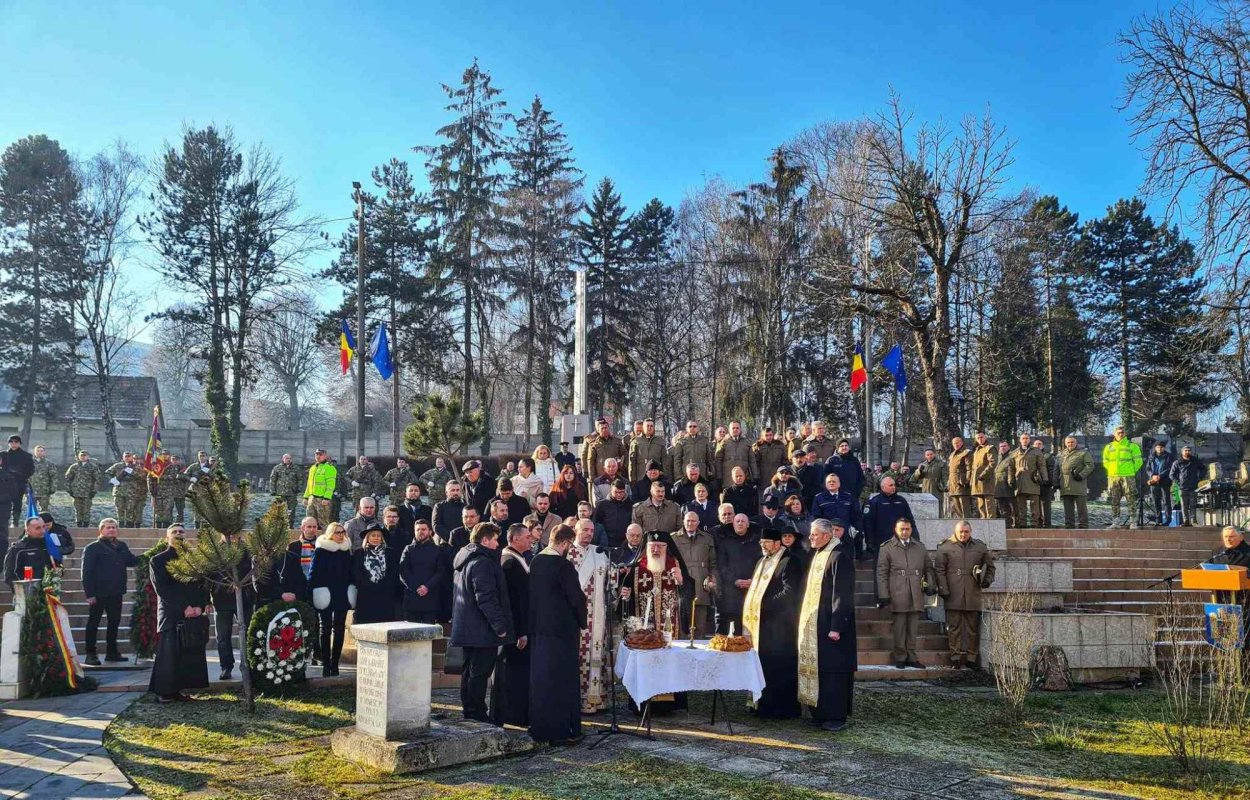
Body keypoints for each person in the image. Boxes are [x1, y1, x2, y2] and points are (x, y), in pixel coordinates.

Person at [527, 524, 587, 745]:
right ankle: (563, 730)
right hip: (561, 632)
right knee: (562, 681)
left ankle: (541, 728)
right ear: (564, 542)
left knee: (542, 679)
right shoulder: (563, 566)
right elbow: (576, 598)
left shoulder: (536, 561)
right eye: (570, 544)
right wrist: (582, 620)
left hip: (539, 630)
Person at [797, 518, 857, 732]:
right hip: (817, 624)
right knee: (820, 670)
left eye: (814, 534)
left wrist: (836, 626)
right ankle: (820, 712)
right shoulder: (819, 554)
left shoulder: (839, 556)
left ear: (827, 535)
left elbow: (842, 594)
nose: (811, 537)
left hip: (833, 626)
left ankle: (835, 716)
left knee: (834, 672)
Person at [450, 522, 514, 723]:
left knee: (470, 671)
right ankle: (476, 712)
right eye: (495, 539)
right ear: (485, 540)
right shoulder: (482, 563)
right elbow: (485, 598)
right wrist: (500, 626)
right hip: (481, 629)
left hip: (469, 627)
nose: (498, 544)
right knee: (479, 673)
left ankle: (470, 710)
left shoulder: (467, 559)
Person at [742, 525, 802, 718]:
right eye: (761, 542)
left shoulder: (790, 561)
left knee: (779, 666)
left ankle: (781, 709)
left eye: (767, 542)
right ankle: (761, 704)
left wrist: (764, 604)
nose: (763, 545)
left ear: (778, 543)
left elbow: (789, 591)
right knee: (762, 664)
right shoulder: (761, 561)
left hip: (781, 626)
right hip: (762, 625)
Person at [148, 524, 210, 703]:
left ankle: (178, 691)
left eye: (181, 531)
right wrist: (184, 607)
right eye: (174, 532)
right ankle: (164, 692)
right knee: (169, 654)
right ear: (167, 537)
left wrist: (200, 606)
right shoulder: (158, 560)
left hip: (193, 613)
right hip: (171, 612)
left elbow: (203, 583)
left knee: (186, 654)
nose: (178, 534)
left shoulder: (194, 559)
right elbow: (163, 588)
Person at [876, 519, 936, 669]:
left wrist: (930, 585)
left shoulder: (919, 547)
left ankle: (912, 657)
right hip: (897, 591)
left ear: (911, 530)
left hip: (915, 591)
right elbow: (882, 573)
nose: (904, 532)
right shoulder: (887, 547)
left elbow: (928, 568)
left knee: (913, 628)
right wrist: (883, 594)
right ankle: (900, 657)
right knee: (900, 627)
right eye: (901, 529)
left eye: (907, 529)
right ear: (895, 530)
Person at [935, 520, 996, 669]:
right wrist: (943, 589)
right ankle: (955, 657)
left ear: (971, 532)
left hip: (972, 592)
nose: (963, 534)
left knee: (972, 628)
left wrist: (986, 581)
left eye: (966, 532)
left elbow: (990, 567)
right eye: (960, 532)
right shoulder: (945, 547)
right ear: (955, 532)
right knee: (954, 628)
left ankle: (971, 658)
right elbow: (939, 571)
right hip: (953, 592)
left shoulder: (980, 547)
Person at [80, 518, 138, 665]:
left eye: (113, 527)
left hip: (116, 591)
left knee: (114, 622)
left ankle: (112, 652)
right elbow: (86, 572)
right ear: (101, 530)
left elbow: (132, 561)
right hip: (98, 592)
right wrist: (90, 594)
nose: (111, 530)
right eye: (108, 527)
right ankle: (90, 654)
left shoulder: (121, 546)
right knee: (93, 623)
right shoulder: (93, 548)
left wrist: (152, 555)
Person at [567, 518, 610, 713]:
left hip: (597, 616)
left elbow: (610, 581)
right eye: (585, 529)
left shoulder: (599, 553)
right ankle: (575, 700)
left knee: (596, 654)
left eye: (592, 530)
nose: (589, 533)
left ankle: (596, 699)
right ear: (575, 530)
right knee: (577, 656)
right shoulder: (567, 552)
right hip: (575, 615)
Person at [492, 523, 532, 727]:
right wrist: (521, 632)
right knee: (512, 673)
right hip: (515, 630)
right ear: (515, 539)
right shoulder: (509, 563)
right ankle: (512, 714)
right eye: (527, 537)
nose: (531, 540)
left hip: (518, 627)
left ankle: (518, 712)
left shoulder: (517, 559)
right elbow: (514, 601)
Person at [309, 522, 355, 677]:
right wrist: (312, 592)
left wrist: (351, 589)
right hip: (325, 592)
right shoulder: (320, 551)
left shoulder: (346, 551)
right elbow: (313, 573)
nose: (341, 535)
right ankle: (326, 664)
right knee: (325, 628)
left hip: (342, 592)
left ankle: (335, 664)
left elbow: (350, 573)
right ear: (330, 534)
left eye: (342, 532)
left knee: (340, 628)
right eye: (337, 532)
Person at [672, 510, 717, 636]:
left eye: (693, 521)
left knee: (700, 627)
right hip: (681, 588)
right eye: (688, 521)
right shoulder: (674, 538)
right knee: (682, 628)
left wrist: (710, 578)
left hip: (701, 588)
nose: (690, 523)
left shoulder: (707, 539)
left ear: (698, 523)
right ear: (683, 522)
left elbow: (713, 563)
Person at [715, 513, 762, 634]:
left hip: (752, 589)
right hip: (731, 592)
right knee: (733, 630)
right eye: (737, 521)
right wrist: (734, 580)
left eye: (743, 521)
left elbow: (761, 564)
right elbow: (721, 566)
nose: (740, 523)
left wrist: (753, 580)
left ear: (748, 524)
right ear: (733, 524)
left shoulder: (756, 544)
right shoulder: (725, 543)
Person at [399, 519, 446, 623]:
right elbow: (403, 571)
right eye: (418, 529)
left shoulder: (437, 550)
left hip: (431, 599)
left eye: (423, 529)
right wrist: (416, 587)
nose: (420, 532)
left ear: (430, 531)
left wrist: (427, 587)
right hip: (412, 599)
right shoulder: (408, 549)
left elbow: (440, 572)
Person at [863, 477, 916, 563]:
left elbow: (910, 520)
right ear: (883, 487)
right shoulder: (875, 502)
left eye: (894, 485)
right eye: (890, 485)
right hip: (881, 542)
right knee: (881, 566)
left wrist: (915, 535)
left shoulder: (901, 501)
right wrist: (870, 541)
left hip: (900, 540)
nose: (893, 487)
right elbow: (868, 523)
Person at [352, 528, 400, 624]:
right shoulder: (359, 553)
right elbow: (356, 573)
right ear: (367, 538)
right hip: (365, 595)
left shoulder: (390, 553)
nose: (376, 538)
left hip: (385, 594)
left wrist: (382, 585)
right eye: (373, 535)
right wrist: (368, 584)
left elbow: (393, 572)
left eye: (379, 536)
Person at [1102, 426, 1144, 530]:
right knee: (1114, 500)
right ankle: (1116, 522)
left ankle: (1133, 522)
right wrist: (1111, 470)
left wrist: (1131, 471)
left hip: (1127, 476)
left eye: (1122, 432)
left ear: (1125, 434)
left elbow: (1139, 461)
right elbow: (1105, 461)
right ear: (1114, 434)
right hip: (1113, 477)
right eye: (1118, 432)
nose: (1120, 434)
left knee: (1131, 499)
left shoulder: (1132, 446)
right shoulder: (1109, 447)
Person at [1010, 433, 1046, 528]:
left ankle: (1035, 523)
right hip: (1019, 481)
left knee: (1034, 504)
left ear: (1030, 440)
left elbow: (1042, 465)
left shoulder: (1036, 451)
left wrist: (1045, 478)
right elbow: (1011, 468)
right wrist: (1010, 480)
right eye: (1023, 438)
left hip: (1033, 480)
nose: (1025, 440)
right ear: (1020, 440)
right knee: (1021, 505)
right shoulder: (1014, 452)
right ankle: (1022, 523)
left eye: (1027, 438)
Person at [1058, 436, 1094, 529]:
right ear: (1065, 444)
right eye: (1068, 442)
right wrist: (1056, 482)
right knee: (1068, 508)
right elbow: (1057, 469)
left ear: (1076, 443)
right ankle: (1069, 525)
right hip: (1065, 485)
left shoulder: (1083, 453)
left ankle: (1083, 525)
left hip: (1078, 483)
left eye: (1072, 442)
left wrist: (1081, 475)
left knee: (1081, 507)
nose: (1070, 444)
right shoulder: (1061, 454)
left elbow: (1090, 466)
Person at [0, 435, 35, 528]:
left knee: (17, 503)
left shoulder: (26, 456)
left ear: (20, 443)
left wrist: (21, 476)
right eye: (11, 442)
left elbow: (31, 470)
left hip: (19, 483)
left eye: (16, 442)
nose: (13, 444)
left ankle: (15, 522)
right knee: (4, 503)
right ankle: (4, 522)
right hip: (4, 484)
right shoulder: (3, 455)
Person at [105, 452, 146, 528]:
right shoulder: (117, 466)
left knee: (130, 509)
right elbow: (107, 473)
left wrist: (132, 472)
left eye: (129, 456)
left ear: (132, 457)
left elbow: (143, 477)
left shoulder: (136, 467)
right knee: (119, 509)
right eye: (126, 456)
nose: (127, 458)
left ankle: (129, 526)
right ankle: (120, 524)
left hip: (132, 492)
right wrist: (113, 480)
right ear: (123, 458)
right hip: (119, 491)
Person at [668, 420, 716, 485]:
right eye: (690, 426)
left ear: (698, 428)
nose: (692, 428)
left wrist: (711, 471)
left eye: (694, 426)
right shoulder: (681, 442)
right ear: (686, 429)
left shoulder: (704, 441)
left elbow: (709, 458)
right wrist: (679, 476)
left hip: (701, 473)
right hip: (686, 474)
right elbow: (677, 461)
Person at [65, 450, 102, 528]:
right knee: (78, 510)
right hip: (76, 492)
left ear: (88, 457)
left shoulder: (93, 467)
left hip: (88, 492)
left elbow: (97, 479)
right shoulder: (74, 467)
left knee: (86, 510)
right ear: (78, 457)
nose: (83, 457)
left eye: (85, 455)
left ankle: (85, 526)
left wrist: (94, 491)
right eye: (81, 455)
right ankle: (78, 525)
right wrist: (69, 490)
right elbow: (68, 478)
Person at [288, 516, 321, 605]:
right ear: (302, 528)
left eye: (314, 527)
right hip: (298, 585)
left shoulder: (321, 545)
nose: (312, 529)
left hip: (317, 584)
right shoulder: (293, 546)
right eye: (309, 527)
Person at [1170, 446, 1206, 527]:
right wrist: (1178, 482)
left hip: (1193, 486)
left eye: (1189, 450)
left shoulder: (1195, 461)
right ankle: (1185, 521)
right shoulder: (1177, 462)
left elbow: (1203, 469)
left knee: (1193, 505)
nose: (1187, 452)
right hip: (1182, 487)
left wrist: (1199, 478)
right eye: (1185, 450)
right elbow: (1171, 475)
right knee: (1184, 505)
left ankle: (1194, 521)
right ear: (1182, 452)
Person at [593, 479, 633, 549]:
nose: (619, 495)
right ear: (611, 491)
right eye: (616, 492)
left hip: (625, 542)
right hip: (606, 542)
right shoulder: (602, 505)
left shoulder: (630, 505)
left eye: (621, 492)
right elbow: (596, 524)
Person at [304, 448, 337, 527]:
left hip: (322, 500)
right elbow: (309, 484)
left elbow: (331, 485)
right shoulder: (313, 468)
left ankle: (325, 535)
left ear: (325, 456)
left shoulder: (329, 468)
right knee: (309, 522)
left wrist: (327, 498)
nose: (318, 456)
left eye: (320, 454)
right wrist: (306, 497)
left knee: (323, 523)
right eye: (317, 454)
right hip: (312, 499)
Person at [1146, 441, 1176, 527]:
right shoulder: (1151, 456)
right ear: (1155, 448)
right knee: (1156, 501)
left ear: (1164, 448)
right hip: (1154, 482)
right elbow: (1148, 468)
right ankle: (1158, 520)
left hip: (1165, 481)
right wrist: (1152, 475)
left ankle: (1168, 520)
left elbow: (1170, 468)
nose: (1159, 449)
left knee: (1166, 501)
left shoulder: (1169, 456)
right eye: (1158, 447)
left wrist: (1160, 476)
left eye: (1161, 447)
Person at [270, 453, 304, 527]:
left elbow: (300, 479)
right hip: (280, 493)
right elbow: (273, 479)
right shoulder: (277, 468)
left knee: (291, 511)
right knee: (279, 510)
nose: (288, 460)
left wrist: (299, 489)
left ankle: (290, 526)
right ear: (283, 459)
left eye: (290, 458)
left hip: (292, 493)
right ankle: (279, 526)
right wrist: (273, 491)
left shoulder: (296, 468)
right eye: (287, 458)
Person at [971, 432, 998, 519]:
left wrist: (983, 475)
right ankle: (983, 520)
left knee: (989, 501)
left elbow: (993, 463)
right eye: (978, 438)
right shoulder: (976, 450)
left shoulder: (990, 448)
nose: (980, 439)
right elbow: (973, 467)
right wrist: (972, 480)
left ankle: (991, 521)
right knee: (980, 502)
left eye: (981, 437)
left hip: (987, 479)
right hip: (977, 480)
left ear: (985, 437)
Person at [946, 437, 973, 519]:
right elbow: (950, 471)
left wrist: (967, 480)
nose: (956, 444)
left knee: (964, 504)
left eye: (957, 442)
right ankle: (960, 522)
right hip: (953, 483)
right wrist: (948, 483)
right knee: (956, 505)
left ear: (962, 442)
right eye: (954, 443)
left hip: (962, 482)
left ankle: (967, 522)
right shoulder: (952, 455)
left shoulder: (966, 452)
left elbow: (969, 468)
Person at [1033, 440, 1058, 528]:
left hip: (1045, 484)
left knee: (1045, 505)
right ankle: (1038, 523)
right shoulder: (1031, 455)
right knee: (1036, 505)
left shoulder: (1048, 456)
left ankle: (1046, 524)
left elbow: (1052, 470)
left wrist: (1049, 482)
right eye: (1036, 444)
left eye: (1039, 444)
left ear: (1043, 446)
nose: (1037, 445)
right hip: (1033, 484)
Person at [994, 441, 1016, 526]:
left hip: (1009, 485)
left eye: (1004, 446)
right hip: (999, 486)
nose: (1002, 448)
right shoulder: (998, 458)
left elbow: (1012, 470)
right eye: (1001, 446)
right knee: (1001, 506)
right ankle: (1005, 524)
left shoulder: (1012, 456)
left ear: (1008, 447)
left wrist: (1011, 482)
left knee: (1010, 506)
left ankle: (1011, 523)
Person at [28, 445, 57, 512]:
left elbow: (54, 477)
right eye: (37, 451)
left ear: (44, 452)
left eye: (41, 451)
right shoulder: (29, 463)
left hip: (44, 490)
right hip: (32, 490)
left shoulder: (49, 464)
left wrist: (53, 488)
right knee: (31, 510)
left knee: (44, 510)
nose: (39, 453)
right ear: (34, 452)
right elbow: (24, 476)